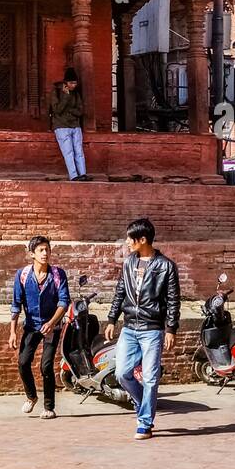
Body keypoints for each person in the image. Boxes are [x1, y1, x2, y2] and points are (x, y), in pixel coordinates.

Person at [104, 217, 180, 441]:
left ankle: (145, 423)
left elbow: (174, 300)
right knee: (122, 373)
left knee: (150, 377)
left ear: (143, 239)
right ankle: (141, 403)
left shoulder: (166, 266)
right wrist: (111, 319)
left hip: (152, 329)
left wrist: (171, 329)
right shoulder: (128, 262)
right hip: (129, 327)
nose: (127, 242)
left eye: (130, 238)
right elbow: (120, 292)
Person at [9, 235, 70, 420]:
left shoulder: (58, 275)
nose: (45, 253)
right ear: (32, 254)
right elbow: (16, 303)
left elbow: (64, 302)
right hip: (31, 326)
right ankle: (31, 396)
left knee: (46, 366)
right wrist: (12, 331)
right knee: (23, 362)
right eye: (41, 250)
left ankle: (49, 407)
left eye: (47, 249)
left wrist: (51, 323)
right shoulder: (23, 275)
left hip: (53, 326)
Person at [49, 67, 87, 180]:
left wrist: (70, 111)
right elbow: (57, 110)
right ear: (65, 83)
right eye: (71, 83)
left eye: (75, 83)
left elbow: (80, 111)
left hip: (75, 126)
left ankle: (83, 174)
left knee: (79, 151)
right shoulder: (56, 92)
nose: (73, 85)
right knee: (68, 152)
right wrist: (65, 96)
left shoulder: (76, 94)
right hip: (61, 126)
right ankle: (74, 175)